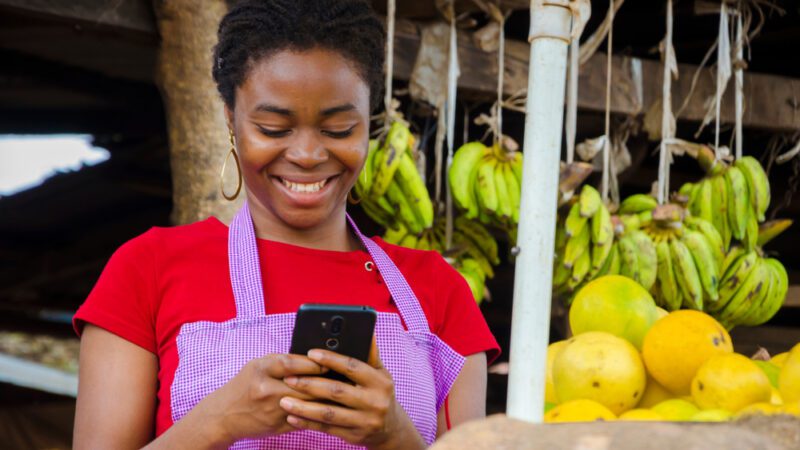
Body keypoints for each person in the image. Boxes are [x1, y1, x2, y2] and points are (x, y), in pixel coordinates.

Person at [72, 1, 499, 448]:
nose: (308, 155)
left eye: (338, 129)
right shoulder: (148, 269)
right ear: (230, 118)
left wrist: (395, 435)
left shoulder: (439, 291)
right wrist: (219, 421)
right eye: (273, 128)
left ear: (369, 122)